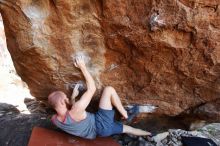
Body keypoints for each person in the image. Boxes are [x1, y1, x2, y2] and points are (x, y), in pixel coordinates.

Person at [48, 55, 151, 139]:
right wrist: (82, 67)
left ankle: (149, 134)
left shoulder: (54, 120)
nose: (67, 98)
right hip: (100, 123)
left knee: (129, 129)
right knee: (109, 90)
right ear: (62, 102)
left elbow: (72, 116)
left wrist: (73, 98)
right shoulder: (76, 110)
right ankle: (125, 114)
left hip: (101, 133)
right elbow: (92, 89)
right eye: (65, 98)